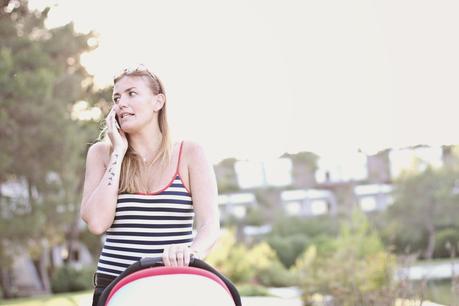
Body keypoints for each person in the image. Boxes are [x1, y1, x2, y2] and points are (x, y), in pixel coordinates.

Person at [79, 64, 221, 306]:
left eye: (131, 94)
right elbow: (96, 222)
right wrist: (118, 153)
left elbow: (210, 224)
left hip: (173, 286)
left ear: (158, 102)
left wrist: (192, 252)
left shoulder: (190, 153)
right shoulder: (101, 154)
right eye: (116, 97)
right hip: (114, 289)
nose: (120, 103)